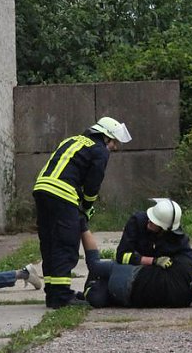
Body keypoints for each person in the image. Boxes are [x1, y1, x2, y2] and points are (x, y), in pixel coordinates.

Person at [33, 116, 131, 309]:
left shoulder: (72, 140)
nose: (115, 147)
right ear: (106, 137)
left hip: (41, 190)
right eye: (114, 142)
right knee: (65, 245)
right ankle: (61, 298)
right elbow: (93, 184)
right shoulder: (100, 150)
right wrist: (86, 208)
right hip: (62, 194)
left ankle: (53, 293)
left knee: (50, 243)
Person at [81, 228, 192, 309]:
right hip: (124, 297)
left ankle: (82, 226)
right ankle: (91, 286)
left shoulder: (185, 267)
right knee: (96, 298)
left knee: (95, 266)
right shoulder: (182, 302)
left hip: (129, 273)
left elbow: (186, 254)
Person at [115, 198, 192, 289]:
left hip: (153, 280)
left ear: (164, 229)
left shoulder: (176, 238)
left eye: (154, 221)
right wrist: (153, 260)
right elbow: (121, 256)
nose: (149, 221)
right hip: (130, 272)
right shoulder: (137, 222)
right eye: (151, 217)